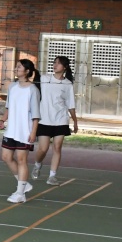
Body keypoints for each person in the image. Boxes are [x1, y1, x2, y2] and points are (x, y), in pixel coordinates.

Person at [0, 59, 41, 204]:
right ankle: (24, 184)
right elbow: (9, 107)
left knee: (22, 160)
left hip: (25, 130)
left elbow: (36, 114)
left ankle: (20, 193)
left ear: (27, 71)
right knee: (6, 157)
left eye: (19, 67)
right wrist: (3, 120)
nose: (16, 69)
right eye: (16, 67)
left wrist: (33, 132)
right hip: (11, 130)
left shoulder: (33, 90)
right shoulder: (12, 86)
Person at [33, 55, 78, 186]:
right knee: (43, 149)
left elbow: (70, 105)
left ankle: (52, 176)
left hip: (61, 119)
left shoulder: (68, 84)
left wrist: (75, 122)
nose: (55, 65)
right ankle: (37, 164)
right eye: (54, 62)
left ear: (65, 67)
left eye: (58, 63)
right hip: (44, 119)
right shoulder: (44, 79)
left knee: (57, 147)